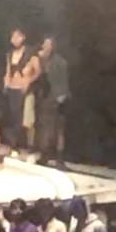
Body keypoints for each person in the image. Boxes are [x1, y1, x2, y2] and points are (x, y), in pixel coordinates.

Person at [3, 29, 41, 157]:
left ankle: (28, 146)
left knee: (25, 120)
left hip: (24, 88)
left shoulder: (30, 53)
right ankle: (13, 146)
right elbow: (8, 70)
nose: (14, 40)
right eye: (12, 37)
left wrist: (29, 81)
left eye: (17, 37)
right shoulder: (10, 53)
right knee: (13, 118)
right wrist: (6, 83)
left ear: (23, 38)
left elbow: (38, 71)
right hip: (12, 87)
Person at [36, 37, 70, 166]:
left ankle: (59, 158)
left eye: (47, 44)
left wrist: (61, 95)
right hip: (45, 97)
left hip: (58, 98)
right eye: (44, 44)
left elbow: (64, 80)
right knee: (45, 128)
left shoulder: (60, 62)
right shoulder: (42, 60)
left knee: (58, 129)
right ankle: (45, 155)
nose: (44, 46)